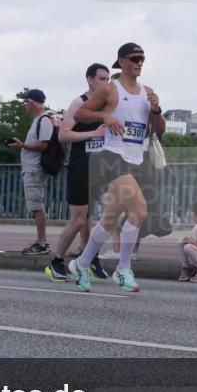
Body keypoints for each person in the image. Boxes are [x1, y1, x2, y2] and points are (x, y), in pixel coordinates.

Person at [67, 42, 165, 294]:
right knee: (140, 210)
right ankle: (123, 268)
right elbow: (80, 114)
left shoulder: (148, 92)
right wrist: (104, 116)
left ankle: (81, 263)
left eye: (142, 58)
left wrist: (156, 110)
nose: (139, 63)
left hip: (136, 161)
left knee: (109, 219)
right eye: (134, 58)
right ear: (121, 61)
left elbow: (159, 130)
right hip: (110, 158)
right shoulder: (110, 89)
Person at [45, 65, 110, 282]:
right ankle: (56, 261)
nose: (106, 83)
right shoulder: (79, 103)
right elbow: (63, 135)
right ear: (90, 80)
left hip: (102, 168)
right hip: (81, 166)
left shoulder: (108, 104)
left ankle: (90, 256)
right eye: (102, 78)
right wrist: (94, 133)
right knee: (79, 220)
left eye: (108, 79)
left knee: (108, 213)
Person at [8, 89, 52, 255]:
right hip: (31, 168)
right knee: (35, 205)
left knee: (36, 206)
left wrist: (23, 146)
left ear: (32, 103)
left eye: (26, 102)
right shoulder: (38, 120)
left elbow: (44, 145)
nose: (25, 105)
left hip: (34, 169)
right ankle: (40, 240)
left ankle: (42, 242)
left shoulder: (44, 120)